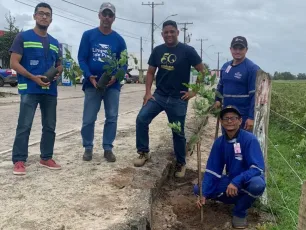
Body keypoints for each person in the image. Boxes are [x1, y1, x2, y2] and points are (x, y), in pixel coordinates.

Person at [133, 20, 205, 178]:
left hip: (178, 98)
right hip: (159, 95)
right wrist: (147, 92)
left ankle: (181, 163)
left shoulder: (188, 51)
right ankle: (143, 153)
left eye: (172, 31)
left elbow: (202, 70)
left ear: (178, 32)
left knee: (177, 132)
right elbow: (151, 72)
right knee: (141, 119)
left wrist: (194, 92)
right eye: (166, 32)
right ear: (162, 34)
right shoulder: (158, 51)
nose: (169, 34)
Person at [9, 2, 63, 175]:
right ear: (34, 16)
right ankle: (19, 160)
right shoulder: (23, 37)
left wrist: (57, 73)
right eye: (41, 13)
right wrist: (33, 77)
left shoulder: (55, 42)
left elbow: (59, 64)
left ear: (51, 19)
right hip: (30, 89)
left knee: (50, 126)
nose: (44, 16)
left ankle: (46, 157)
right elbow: (13, 63)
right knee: (24, 125)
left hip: (50, 90)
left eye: (47, 14)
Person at [195, 106, 266, 229]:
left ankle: (240, 211)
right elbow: (212, 171)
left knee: (257, 185)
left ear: (240, 121)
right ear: (221, 122)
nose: (229, 121)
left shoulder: (249, 139)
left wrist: (237, 181)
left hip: (248, 180)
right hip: (231, 181)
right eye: (226, 118)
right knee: (199, 189)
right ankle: (239, 199)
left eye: (233, 118)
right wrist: (204, 193)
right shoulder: (219, 142)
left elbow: (257, 169)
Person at [78, 2, 127, 162]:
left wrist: (117, 77)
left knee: (112, 117)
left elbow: (123, 62)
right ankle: (88, 148)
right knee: (88, 119)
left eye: (110, 15)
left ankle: (107, 148)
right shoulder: (88, 35)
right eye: (104, 14)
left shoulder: (119, 40)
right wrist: (89, 75)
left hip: (112, 86)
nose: (107, 17)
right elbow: (82, 58)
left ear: (114, 18)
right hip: (92, 84)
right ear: (99, 15)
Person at [214, 36, 260, 132]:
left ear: (246, 50)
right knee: (227, 142)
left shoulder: (252, 68)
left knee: (240, 143)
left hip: (242, 116)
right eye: (235, 48)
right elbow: (220, 86)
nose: (237, 51)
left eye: (241, 48)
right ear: (230, 49)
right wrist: (217, 100)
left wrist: (251, 117)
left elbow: (254, 95)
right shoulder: (225, 67)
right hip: (227, 115)